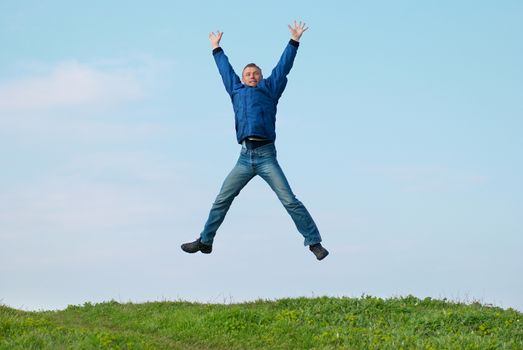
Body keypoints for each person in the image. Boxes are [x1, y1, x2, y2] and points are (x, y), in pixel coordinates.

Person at [181, 21, 329, 260]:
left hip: (266, 156)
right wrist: (216, 48)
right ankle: (205, 241)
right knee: (222, 199)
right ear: (243, 78)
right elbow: (225, 70)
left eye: (255, 74)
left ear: (260, 77)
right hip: (244, 157)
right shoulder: (236, 90)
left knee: (289, 200)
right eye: (248, 74)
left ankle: (314, 243)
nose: (251, 76)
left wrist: (294, 41)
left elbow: (283, 68)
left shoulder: (270, 89)